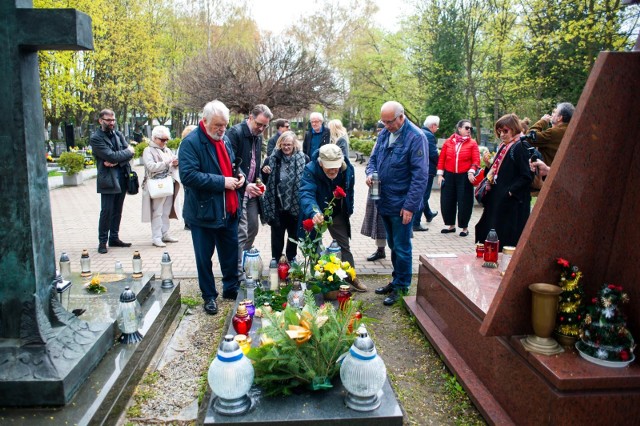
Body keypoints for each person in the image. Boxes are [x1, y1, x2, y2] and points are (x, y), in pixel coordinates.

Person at [179, 100, 245, 315]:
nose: (222, 129)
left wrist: (240, 175)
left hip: (228, 209)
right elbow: (188, 176)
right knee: (204, 257)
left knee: (229, 252)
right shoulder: (191, 143)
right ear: (204, 121)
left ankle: (230, 288)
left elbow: (233, 164)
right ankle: (209, 296)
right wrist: (222, 182)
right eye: (217, 125)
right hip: (203, 212)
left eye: (224, 125)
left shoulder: (224, 140)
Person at [366, 101, 428, 306]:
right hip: (384, 199)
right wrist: (369, 174)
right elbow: (373, 158)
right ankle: (396, 280)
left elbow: (420, 176)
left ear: (401, 117)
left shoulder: (416, 137)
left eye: (389, 121)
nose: (386, 126)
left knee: (401, 247)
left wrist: (410, 206)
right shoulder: (384, 133)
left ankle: (402, 287)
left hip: (402, 203)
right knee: (392, 244)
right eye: (383, 122)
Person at [300, 144, 367, 292]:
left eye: (335, 166)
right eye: (329, 167)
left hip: (337, 211)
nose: (333, 170)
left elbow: (350, 191)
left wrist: (349, 209)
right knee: (315, 247)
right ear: (321, 163)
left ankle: (351, 276)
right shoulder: (310, 169)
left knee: (344, 245)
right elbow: (306, 193)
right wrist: (314, 212)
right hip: (317, 212)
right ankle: (319, 279)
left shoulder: (347, 169)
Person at [227, 104, 273, 281]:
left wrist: (260, 181)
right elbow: (232, 164)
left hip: (253, 190)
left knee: (253, 228)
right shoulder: (236, 133)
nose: (261, 129)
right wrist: (245, 183)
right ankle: (236, 272)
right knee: (241, 231)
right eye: (259, 124)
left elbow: (255, 163)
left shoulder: (258, 137)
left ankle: (243, 262)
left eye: (265, 126)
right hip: (239, 190)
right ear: (250, 117)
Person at [475, 113, 533, 249]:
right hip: (498, 198)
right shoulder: (505, 146)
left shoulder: (520, 146)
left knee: (505, 239)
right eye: (499, 131)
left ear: (514, 129)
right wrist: (489, 166)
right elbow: (500, 170)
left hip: (510, 204)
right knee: (491, 233)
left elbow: (526, 176)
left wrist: (509, 192)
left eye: (505, 131)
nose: (502, 134)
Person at [90, 108, 135, 254]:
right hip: (107, 179)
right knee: (107, 211)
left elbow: (127, 154)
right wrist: (119, 156)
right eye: (108, 120)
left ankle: (114, 237)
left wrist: (117, 160)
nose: (112, 123)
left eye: (113, 120)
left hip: (122, 176)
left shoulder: (118, 134)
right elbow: (113, 155)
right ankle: (102, 241)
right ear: (100, 121)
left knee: (118, 210)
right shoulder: (96, 138)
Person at [261, 131, 307, 261]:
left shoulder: (303, 159)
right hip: (277, 205)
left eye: (289, 145)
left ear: (294, 145)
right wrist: (264, 172)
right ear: (280, 144)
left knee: (293, 236)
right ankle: (276, 260)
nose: (286, 147)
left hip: (295, 205)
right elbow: (264, 181)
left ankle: (291, 260)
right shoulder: (271, 159)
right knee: (277, 236)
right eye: (284, 144)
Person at [436, 119, 480, 237]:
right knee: (447, 200)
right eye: (466, 128)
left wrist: (471, 171)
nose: (469, 130)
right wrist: (440, 175)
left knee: (464, 201)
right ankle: (451, 225)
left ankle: (464, 228)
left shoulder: (472, 143)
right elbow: (442, 159)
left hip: (464, 176)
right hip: (449, 175)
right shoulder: (448, 142)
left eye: (470, 128)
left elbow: (476, 161)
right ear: (459, 128)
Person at [141, 125, 180, 247]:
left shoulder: (167, 150)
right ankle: (156, 237)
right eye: (162, 140)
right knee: (157, 211)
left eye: (166, 139)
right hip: (156, 184)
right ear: (155, 138)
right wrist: (167, 162)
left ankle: (164, 233)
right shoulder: (148, 150)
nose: (165, 142)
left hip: (168, 182)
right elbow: (151, 166)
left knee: (166, 211)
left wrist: (175, 164)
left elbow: (171, 165)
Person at [361, 122, 387, 261]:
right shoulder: (380, 141)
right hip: (377, 183)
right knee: (378, 218)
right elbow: (372, 161)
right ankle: (380, 249)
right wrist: (370, 173)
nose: (379, 132)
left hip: (394, 188)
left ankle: (395, 252)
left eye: (381, 130)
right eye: (378, 130)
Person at [413, 115, 440, 231]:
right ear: (433, 125)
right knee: (424, 195)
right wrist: (441, 164)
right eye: (437, 127)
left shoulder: (418, 131)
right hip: (427, 170)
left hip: (419, 168)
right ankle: (416, 222)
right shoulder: (429, 135)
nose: (437, 129)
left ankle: (428, 214)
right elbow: (433, 154)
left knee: (423, 193)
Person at [180, 125, 197, 231]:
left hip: (187, 176)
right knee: (188, 198)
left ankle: (188, 221)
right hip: (187, 177)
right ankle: (188, 221)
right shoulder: (186, 144)